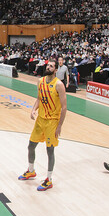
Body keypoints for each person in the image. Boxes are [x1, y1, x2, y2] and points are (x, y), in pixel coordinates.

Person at [18, 58, 67, 191]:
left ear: (56, 70)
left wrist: (60, 125)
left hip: (52, 121)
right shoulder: (40, 81)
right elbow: (39, 98)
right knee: (31, 146)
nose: (48, 67)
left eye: (51, 66)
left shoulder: (59, 85)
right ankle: (31, 170)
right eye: (48, 65)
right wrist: (33, 109)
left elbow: (64, 107)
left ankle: (49, 179)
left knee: (49, 150)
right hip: (41, 120)